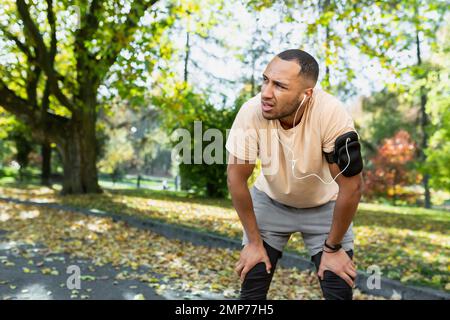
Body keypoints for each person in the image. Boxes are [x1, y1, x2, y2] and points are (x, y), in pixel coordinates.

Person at [225, 49, 364, 300]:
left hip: (325, 207)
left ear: (306, 94)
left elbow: (352, 187)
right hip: (270, 203)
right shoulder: (251, 112)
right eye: (265, 80)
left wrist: (332, 248)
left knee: (339, 288)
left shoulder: (331, 113)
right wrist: (254, 243)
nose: (266, 93)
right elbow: (236, 179)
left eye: (279, 86)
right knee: (251, 289)